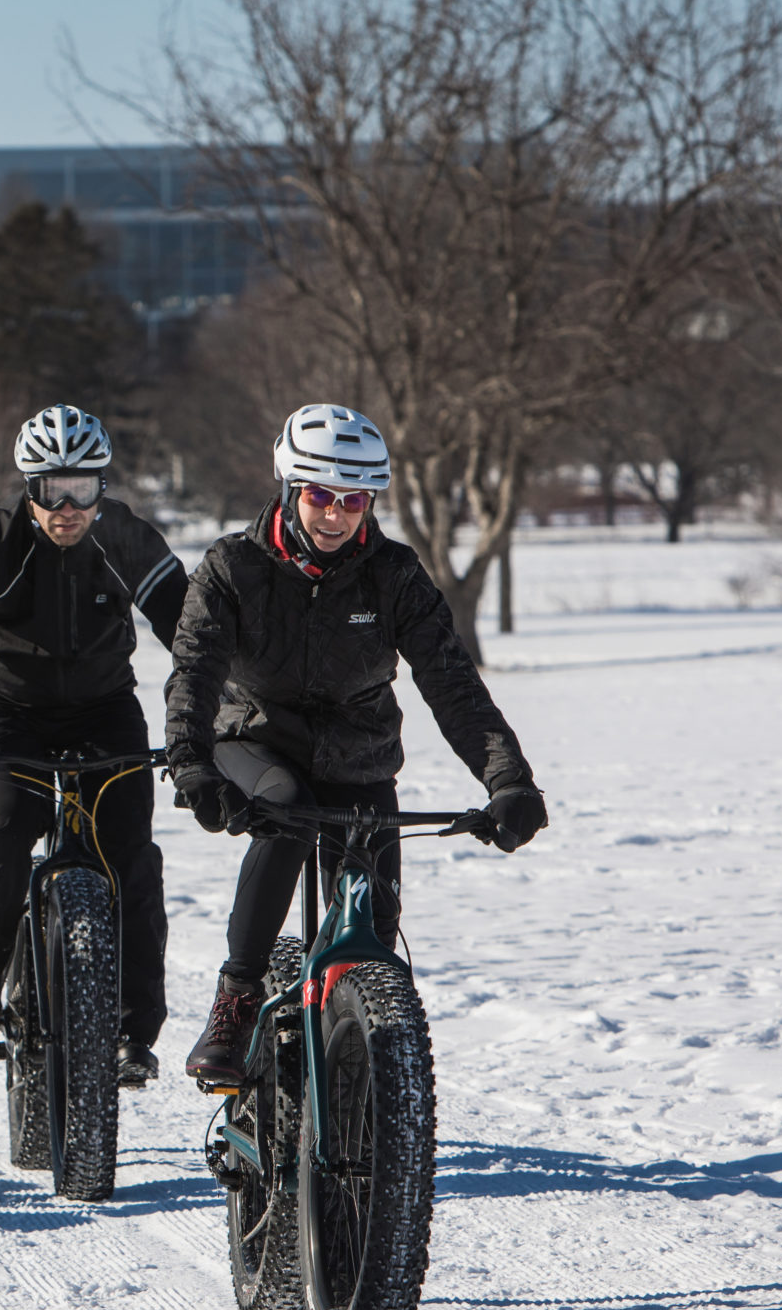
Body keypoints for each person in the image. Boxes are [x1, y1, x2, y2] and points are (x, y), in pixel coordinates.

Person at [164, 403, 548, 1090]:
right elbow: (193, 672)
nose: (336, 516)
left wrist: (508, 779)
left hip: (358, 757)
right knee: (285, 808)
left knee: (374, 932)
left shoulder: (393, 574)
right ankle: (239, 995)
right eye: (320, 496)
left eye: (355, 499)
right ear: (289, 487)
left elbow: (453, 685)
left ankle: (363, 1084)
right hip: (255, 744)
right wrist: (191, 762)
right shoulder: (232, 567)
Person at [0, 404, 188, 1087]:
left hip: (102, 706)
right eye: (53, 490)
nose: (70, 507)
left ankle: (135, 1030)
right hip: (4, 704)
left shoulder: (127, 539)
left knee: (129, 852)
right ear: (31, 489)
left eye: (85, 489)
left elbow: (191, 630)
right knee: (6, 820)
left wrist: (215, 712)